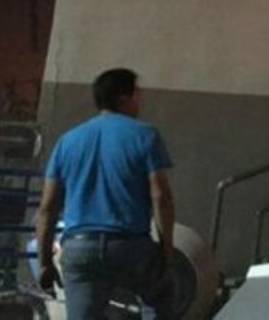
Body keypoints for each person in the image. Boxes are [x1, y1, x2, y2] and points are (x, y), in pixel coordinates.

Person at [35, 68, 176, 318]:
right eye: (137, 95)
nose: (140, 101)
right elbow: (160, 196)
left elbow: (47, 207)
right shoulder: (145, 135)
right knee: (164, 297)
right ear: (124, 98)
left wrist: (45, 261)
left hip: (80, 249)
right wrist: (165, 251)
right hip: (130, 247)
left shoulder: (67, 141)